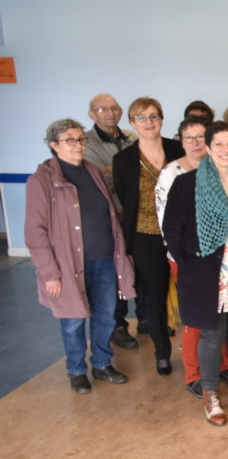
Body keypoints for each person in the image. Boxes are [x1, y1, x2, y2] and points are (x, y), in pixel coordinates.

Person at [162, 121, 228, 426]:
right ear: (208, 148)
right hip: (206, 273)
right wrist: (190, 263)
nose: (225, 149)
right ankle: (210, 393)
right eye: (219, 144)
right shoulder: (188, 184)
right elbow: (171, 229)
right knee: (211, 335)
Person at [26, 119, 134, 393]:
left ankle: (102, 364)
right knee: (73, 319)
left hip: (105, 259)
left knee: (106, 316)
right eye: (70, 140)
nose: (78, 145)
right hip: (68, 264)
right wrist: (49, 272)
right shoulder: (41, 180)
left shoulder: (92, 171)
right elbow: (35, 231)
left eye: (81, 139)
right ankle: (76, 370)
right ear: (54, 145)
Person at [156, 115, 228, 398]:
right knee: (196, 319)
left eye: (201, 137)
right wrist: (184, 260)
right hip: (188, 260)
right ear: (181, 141)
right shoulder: (172, 173)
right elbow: (168, 225)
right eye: (190, 138)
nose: (196, 142)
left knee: (221, 312)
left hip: (219, 259)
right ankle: (194, 373)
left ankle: (222, 364)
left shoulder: (221, 168)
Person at [112, 97, 184, 376]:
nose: (149, 122)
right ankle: (162, 352)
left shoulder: (177, 150)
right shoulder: (123, 160)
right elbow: (125, 198)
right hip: (145, 237)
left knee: (190, 292)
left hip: (181, 233)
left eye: (154, 116)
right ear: (132, 123)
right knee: (152, 298)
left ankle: (197, 349)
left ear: (162, 120)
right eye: (141, 117)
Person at [83, 93, 138, 350]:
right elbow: (99, 180)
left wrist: (113, 169)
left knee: (141, 269)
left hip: (136, 216)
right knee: (115, 274)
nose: (110, 112)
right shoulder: (87, 142)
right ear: (92, 114)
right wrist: (125, 171)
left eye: (114, 107)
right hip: (111, 219)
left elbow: (144, 172)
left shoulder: (132, 137)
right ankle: (118, 326)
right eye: (102, 109)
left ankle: (145, 318)